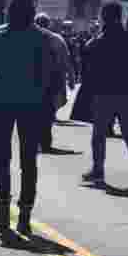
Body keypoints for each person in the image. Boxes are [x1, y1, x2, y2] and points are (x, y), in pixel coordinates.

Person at [0, 0, 55, 235]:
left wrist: (1, 83)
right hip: (32, 104)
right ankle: (24, 215)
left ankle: (3, 210)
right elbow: (47, 74)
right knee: (28, 161)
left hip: (2, 101)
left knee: (1, 157)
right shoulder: (42, 38)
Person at [82, 2, 128, 191]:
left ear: (105, 16)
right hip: (126, 90)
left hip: (104, 91)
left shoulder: (101, 38)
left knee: (99, 134)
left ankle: (98, 169)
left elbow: (87, 54)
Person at [35, 13, 76, 152]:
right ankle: (44, 143)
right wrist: (71, 78)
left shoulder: (27, 37)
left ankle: (36, 142)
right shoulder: (57, 39)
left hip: (35, 82)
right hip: (51, 83)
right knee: (47, 115)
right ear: (49, 24)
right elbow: (66, 61)